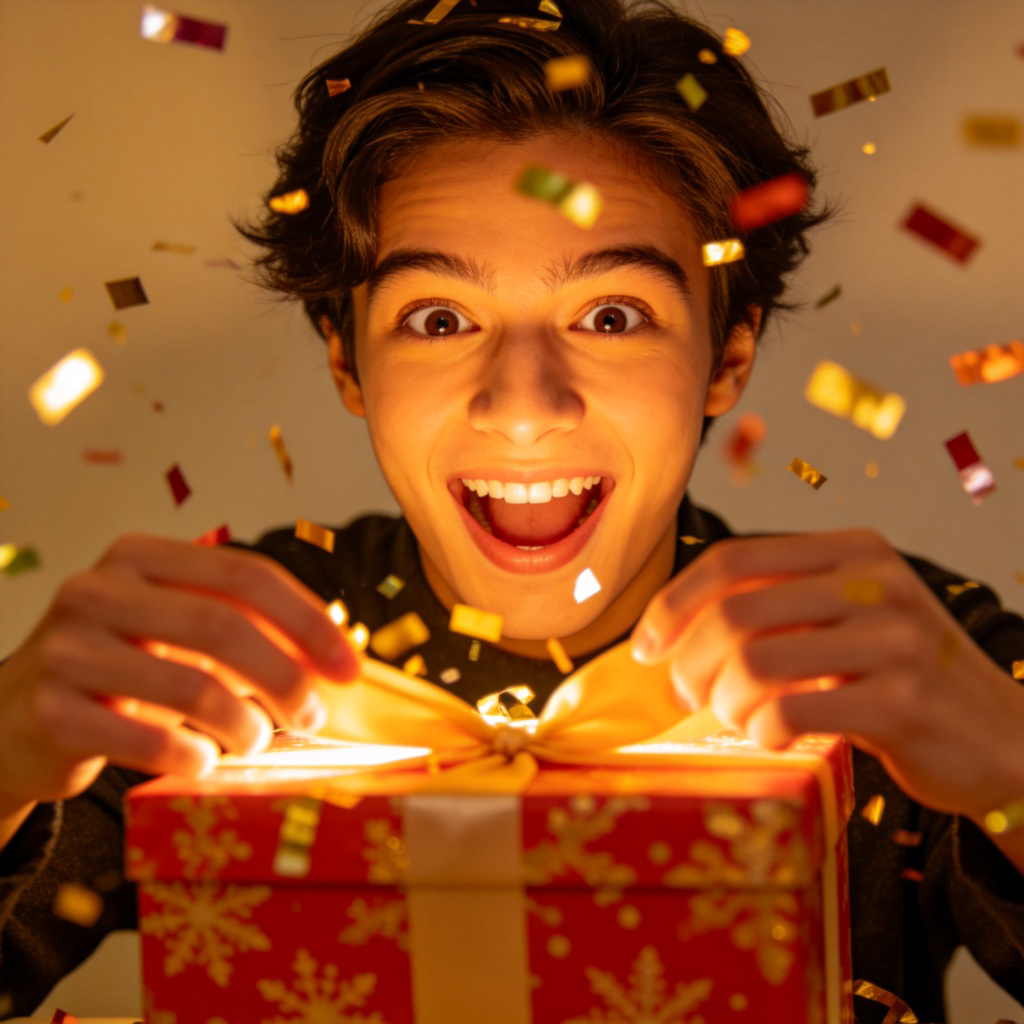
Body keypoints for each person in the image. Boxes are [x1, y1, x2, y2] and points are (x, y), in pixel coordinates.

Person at [1, 0, 1023, 1020]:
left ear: (727, 355)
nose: (524, 406)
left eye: (611, 315)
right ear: (347, 360)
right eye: (438, 319)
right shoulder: (205, 668)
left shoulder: (898, 659)